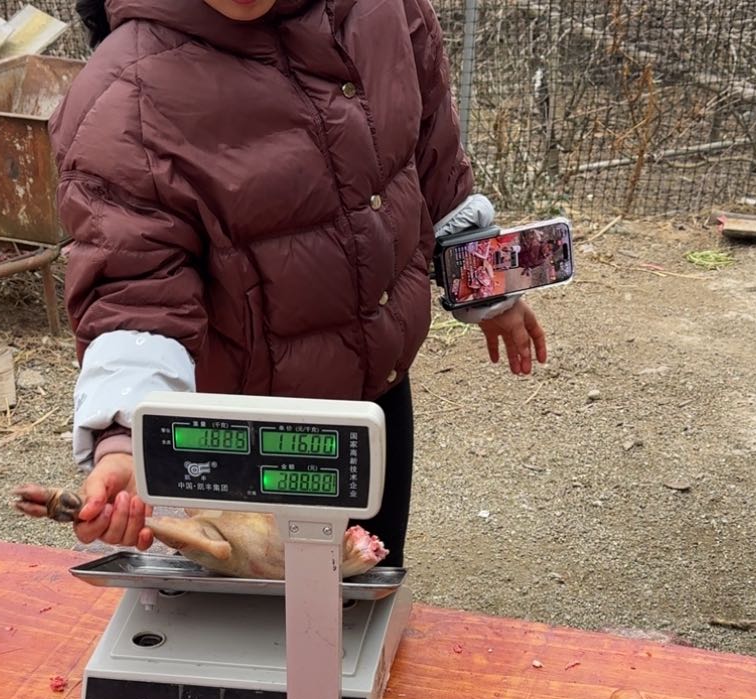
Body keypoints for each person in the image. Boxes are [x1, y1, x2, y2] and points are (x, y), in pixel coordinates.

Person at [52, 0, 548, 566]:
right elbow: (133, 287)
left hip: (375, 399)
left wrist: (488, 285)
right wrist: (128, 438)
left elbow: (433, 150)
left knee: (367, 581)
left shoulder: (383, 10)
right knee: (257, 628)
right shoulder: (126, 92)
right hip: (244, 434)